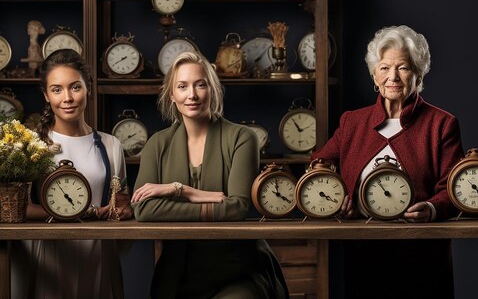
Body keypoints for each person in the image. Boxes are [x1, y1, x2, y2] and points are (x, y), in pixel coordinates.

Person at [311, 25, 464, 298]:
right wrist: (338, 200)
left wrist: (431, 208)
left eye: (403, 68)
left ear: (418, 73)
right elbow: (319, 163)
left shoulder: (441, 124)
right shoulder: (352, 122)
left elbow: (453, 189)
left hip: (421, 252)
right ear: (374, 73)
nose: (392, 77)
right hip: (364, 248)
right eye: (384, 68)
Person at [131, 51, 289, 299]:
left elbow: (238, 208)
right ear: (172, 95)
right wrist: (206, 200)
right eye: (182, 86)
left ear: (212, 90)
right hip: (177, 275)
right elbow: (143, 209)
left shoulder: (241, 137)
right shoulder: (157, 144)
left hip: (238, 269)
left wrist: (181, 191)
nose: (192, 95)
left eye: (200, 85)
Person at [11, 48, 131, 298]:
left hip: (97, 257)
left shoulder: (111, 145)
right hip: (46, 258)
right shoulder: (33, 146)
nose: (68, 97)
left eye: (75, 87)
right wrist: (86, 213)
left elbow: (120, 201)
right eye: (57, 89)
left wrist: (123, 208)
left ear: (88, 88)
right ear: (46, 95)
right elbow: (16, 207)